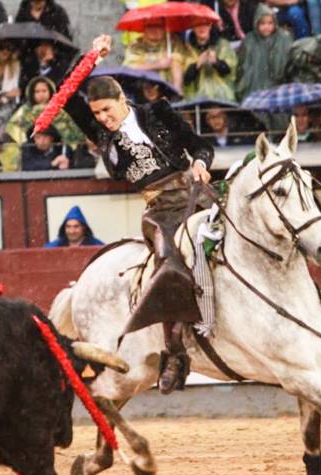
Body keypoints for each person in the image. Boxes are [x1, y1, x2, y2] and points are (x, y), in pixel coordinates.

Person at [63, 35, 214, 394]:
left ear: (122, 100)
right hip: (161, 210)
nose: (103, 118)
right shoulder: (102, 133)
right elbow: (66, 94)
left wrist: (200, 162)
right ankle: (176, 352)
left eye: (106, 110)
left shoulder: (157, 113)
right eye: (97, 113)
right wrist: (91, 58)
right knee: (170, 261)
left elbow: (200, 146)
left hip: (198, 197)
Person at [1, 75, 84, 172]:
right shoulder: (24, 111)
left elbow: (72, 134)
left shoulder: (60, 112)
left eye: (44, 91)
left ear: (50, 92)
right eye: (37, 91)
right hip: (30, 153)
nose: (41, 94)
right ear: (32, 93)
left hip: (56, 154)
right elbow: (12, 131)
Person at [236, 4, 292, 100]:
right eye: (263, 23)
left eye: (270, 23)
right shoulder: (249, 40)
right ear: (256, 23)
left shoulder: (283, 39)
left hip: (278, 83)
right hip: (256, 85)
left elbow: (289, 62)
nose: (267, 27)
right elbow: (243, 66)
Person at [122, 18, 185, 93]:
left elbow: (178, 63)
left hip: (167, 91)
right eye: (150, 26)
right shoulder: (136, 46)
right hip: (141, 91)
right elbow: (129, 68)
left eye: (158, 26)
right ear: (144, 28)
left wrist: (176, 90)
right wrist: (158, 64)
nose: (154, 29)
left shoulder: (173, 43)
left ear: (164, 28)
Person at [182, 22, 238, 101]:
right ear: (193, 28)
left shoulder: (222, 44)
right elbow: (186, 79)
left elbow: (230, 70)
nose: (201, 28)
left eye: (205, 24)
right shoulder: (188, 49)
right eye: (198, 24)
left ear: (210, 26)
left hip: (222, 93)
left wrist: (216, 63)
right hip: (195, 95)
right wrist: (197, 65)